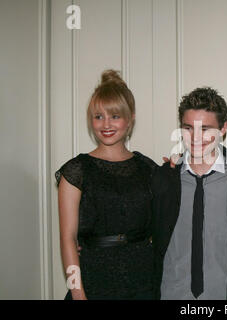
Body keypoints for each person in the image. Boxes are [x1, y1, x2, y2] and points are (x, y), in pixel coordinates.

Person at [56, 70, 157, 299]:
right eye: (98, 116)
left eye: (115, 116)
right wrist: (77, 292)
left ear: (130, 118)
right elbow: (67, 239)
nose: (106, 124)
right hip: (94, 281)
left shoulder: (148, 169)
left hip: (144, 281)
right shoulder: (76, 171)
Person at [151, 87, 227, 300]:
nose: (196, 138)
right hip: (171, 294)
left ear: (223, 128)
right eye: (188, 128)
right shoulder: (164, 178)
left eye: (205, 129)